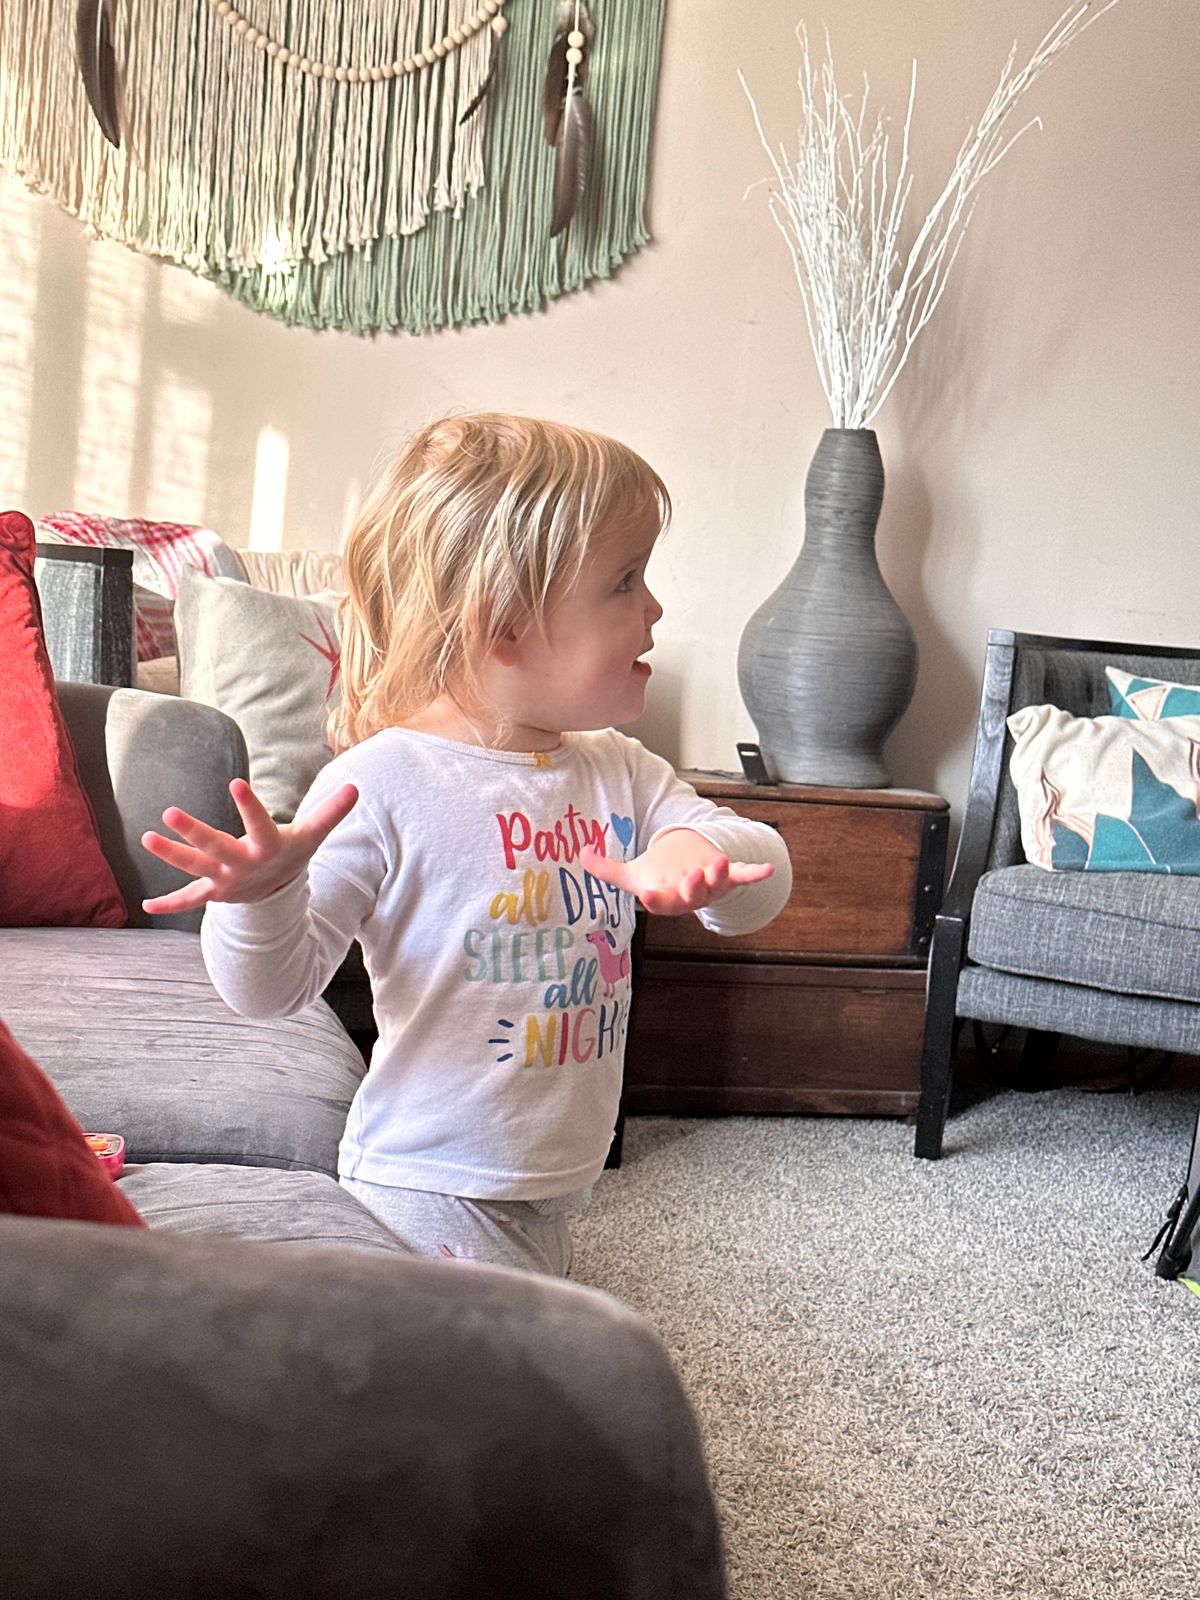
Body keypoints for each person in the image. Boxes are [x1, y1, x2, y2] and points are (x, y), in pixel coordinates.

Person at [141, 413, 792, 1277]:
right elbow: (269, 991)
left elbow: (766, 875)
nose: (655, 607)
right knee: (514, 1364)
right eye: (625, 581)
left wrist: (696, 853)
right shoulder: (380, 784)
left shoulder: (620, 769)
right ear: (507, 624)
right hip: (427, 1184)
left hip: (549, 1183)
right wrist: (262, 900)